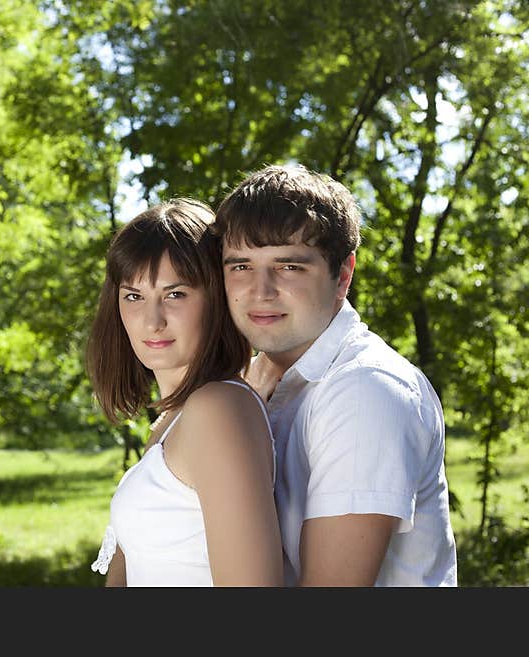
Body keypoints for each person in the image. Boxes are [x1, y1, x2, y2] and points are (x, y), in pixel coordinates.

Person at [214, 164, 457, 586]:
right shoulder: (266, 379)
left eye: (288, 267)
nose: (260, 290)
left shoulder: (364, 391)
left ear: (342, 275)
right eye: (241, 266)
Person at [87, 198, 282, 587]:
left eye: (175, 294)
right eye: (134, 296)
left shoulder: (218, 408)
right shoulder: (171, 421)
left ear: (217, 298)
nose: (152, 320)